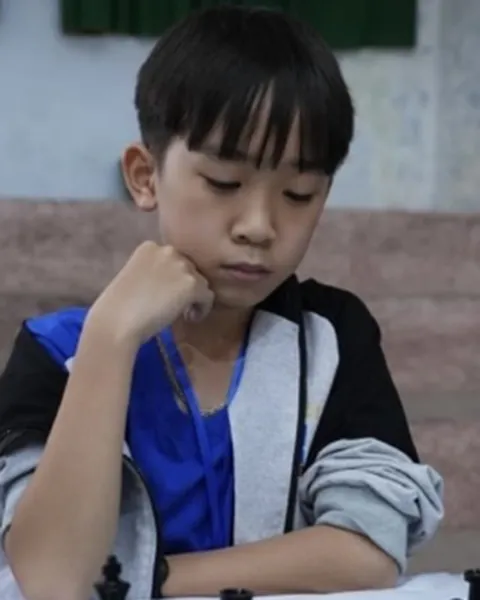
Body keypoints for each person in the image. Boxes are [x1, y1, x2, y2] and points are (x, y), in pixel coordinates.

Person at [0, 6, 443, 600]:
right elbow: (54, 580)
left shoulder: (330, 339)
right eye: (224, 184)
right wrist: (109, 339)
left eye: (298, 194)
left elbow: (367, 549)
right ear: (145, 176)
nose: (258, 225)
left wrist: (150, 580)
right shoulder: (58, 351)